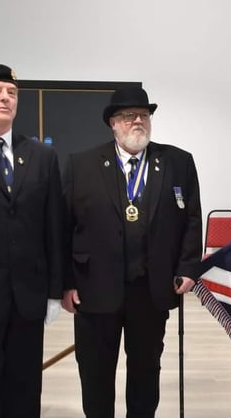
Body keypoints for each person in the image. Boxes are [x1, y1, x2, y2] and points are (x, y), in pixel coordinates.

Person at [61, 86, 203, 417]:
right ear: (112, 122)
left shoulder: (177, 162)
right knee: (95, 377)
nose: (137, 121)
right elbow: (63, 227)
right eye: (128, 116)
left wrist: (188, 267)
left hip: (151, 291)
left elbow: (192, 219)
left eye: (143, 114)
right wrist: (66, 282)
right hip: (94, 291)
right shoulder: (81, 164)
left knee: (145, 373)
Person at [0, 63, 64, 417]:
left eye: (12, 93)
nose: (5, 98)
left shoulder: (40, 156)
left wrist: (54, 290)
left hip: (28, 297)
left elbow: (53, 226)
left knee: (24, 386)